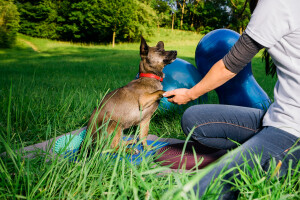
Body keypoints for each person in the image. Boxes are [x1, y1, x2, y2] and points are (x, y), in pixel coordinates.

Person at [163, 0, 300, 198]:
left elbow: (230, 64)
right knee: (193, 119)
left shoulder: (276, 3)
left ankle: (265, 154)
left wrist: (190, 93)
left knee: (207, 189)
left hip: (292, 129)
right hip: (278, 114)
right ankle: (255, 148)